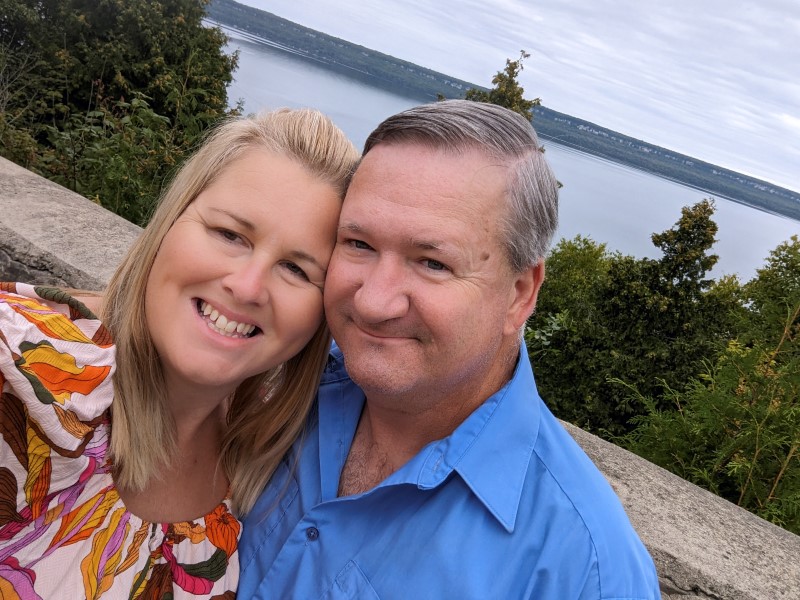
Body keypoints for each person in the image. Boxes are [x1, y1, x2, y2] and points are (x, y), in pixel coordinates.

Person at [239, 99, 661, 599]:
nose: (374, 302)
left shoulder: (580, 572)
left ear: (520, 293)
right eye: (359, 244)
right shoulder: (272, 381)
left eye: (432, 263)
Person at [0, 108, 359, 598]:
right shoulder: (21, 370)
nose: (248, 286)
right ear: (171, 220)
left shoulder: (261, 473)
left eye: (296, 269)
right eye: (230, 234)